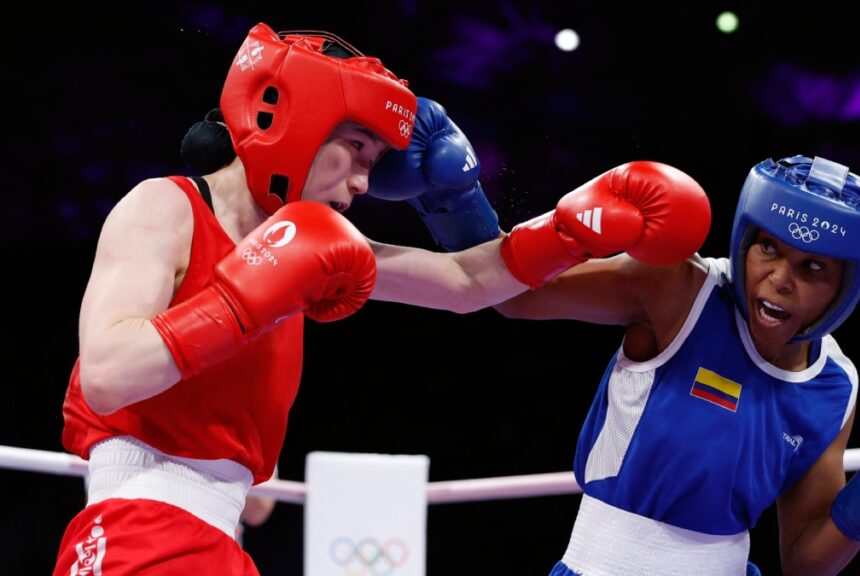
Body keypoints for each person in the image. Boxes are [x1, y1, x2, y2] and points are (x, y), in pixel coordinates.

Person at [54, 22, 711, 575]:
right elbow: (108, 376)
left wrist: (571, 231)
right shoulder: (165, 206)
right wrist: (247, 295)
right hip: (135, 530)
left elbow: (465, 284)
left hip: (213, 539)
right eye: (359, 151)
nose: (367, 183)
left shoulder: (307, 246)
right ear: (289, 119)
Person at [479, 156, 860, 575]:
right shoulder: (682, 290)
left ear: (847, 286)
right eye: (769, 248)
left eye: (813, 267)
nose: (780, 279)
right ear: (745, 239)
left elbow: (806, 564)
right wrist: (454, 197)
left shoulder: (834, 385)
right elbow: (513, 294)